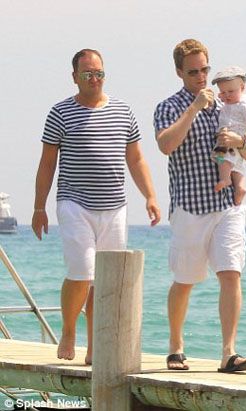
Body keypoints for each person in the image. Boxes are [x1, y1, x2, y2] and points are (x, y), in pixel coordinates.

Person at [31, 48, 161, 365]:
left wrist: (151, 196)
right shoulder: (60, 113)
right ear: (75, 77)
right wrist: (39, 207)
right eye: (87, 73)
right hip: (74, 202)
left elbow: (136, 158)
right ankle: (68, 330)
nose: (94, 79)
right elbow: (48, 163)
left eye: (99, 73)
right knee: (81, 272)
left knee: (104, 278)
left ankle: (95, 346)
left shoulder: (122, 111)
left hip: (114, 206)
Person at [154, 39, 246, 373]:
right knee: (185, 279)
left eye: (204, 69)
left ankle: (229, 352)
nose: (201, 77)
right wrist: (193, 109)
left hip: (226, 203)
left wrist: (240, 141)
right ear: (179, 72)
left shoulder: (229, 103)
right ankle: (175, 346)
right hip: (189, 204)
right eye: (193, 72)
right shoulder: (169, 106)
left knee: (231, 273)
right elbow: (166, 145)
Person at [210, 66, 246, 205]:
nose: (227, 95)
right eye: (223, 92)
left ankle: (225, 179)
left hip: (232, 139)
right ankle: (240, 187)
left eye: (231, 91)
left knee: (223, 160)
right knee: (237, 167)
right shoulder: (225, 103)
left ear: (242, 88)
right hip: (231, 141)